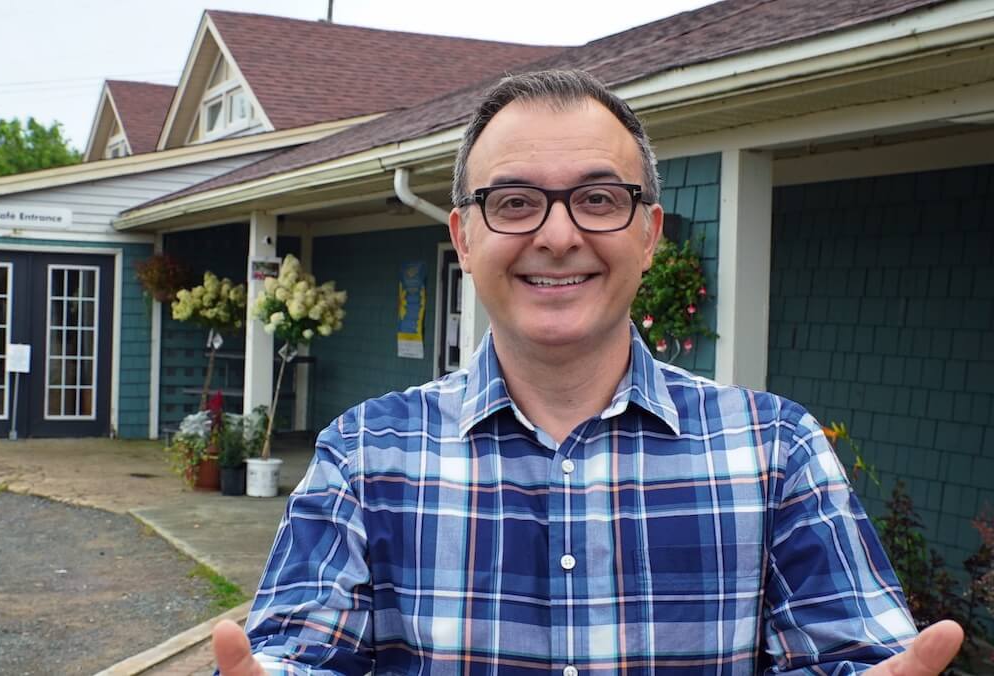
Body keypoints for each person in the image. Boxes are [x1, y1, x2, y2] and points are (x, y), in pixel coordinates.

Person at [213, 70, 963, 674]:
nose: (559, 235)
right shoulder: (366, 453)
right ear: (465, 237)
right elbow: (295, 656)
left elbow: (851, 656)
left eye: (599, 199)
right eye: (514, 202)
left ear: (649, 234)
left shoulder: (774, 451)